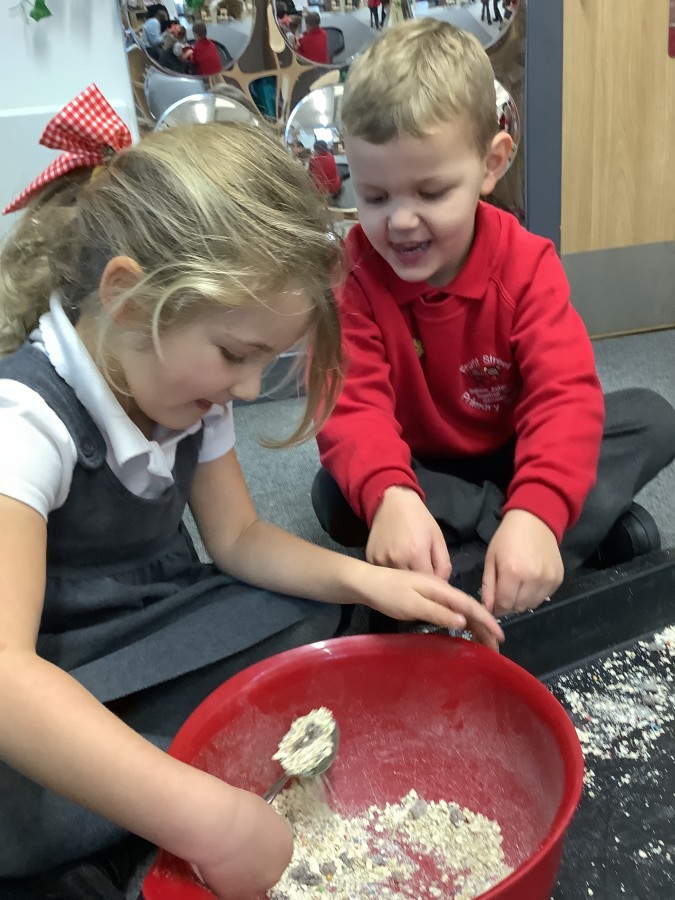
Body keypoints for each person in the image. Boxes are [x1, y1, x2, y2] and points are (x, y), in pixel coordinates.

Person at [0, 85, 503, 900]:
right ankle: (123, 825)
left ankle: (130, 807)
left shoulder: (183, 384)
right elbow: (7, 674)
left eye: (262, 363)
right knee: (25, 790)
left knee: (316, 617)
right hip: (52, 667)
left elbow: (236, 538)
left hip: (153, 628)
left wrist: (366, 579)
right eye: (235, 355)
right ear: (128, 297)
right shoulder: (25, 422)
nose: (242, 388)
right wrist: (209, 822)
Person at [311, 19, 675, 618]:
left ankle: (481, 564)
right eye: (374, 197)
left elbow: (563, 396)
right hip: (423, 465)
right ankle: (559, 541)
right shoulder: (351, 275)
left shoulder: (526, 264)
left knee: (652, 418)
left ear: (491, 164)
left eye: (431, 193)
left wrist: (537, 509)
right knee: (338, 494)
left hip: (515, 448)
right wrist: (393, 495)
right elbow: (351, 406)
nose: (400, 221)